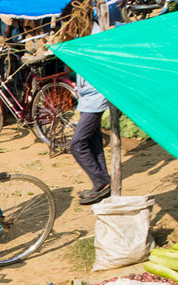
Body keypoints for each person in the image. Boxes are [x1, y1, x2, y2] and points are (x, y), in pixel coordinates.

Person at [70, 8, 121, 206]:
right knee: (93, 142)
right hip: (87, 97)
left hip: (97, 96)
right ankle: (102, 184)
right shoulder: (85, 35)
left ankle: (101, 181)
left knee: (77, 144)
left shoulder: (97, 35)